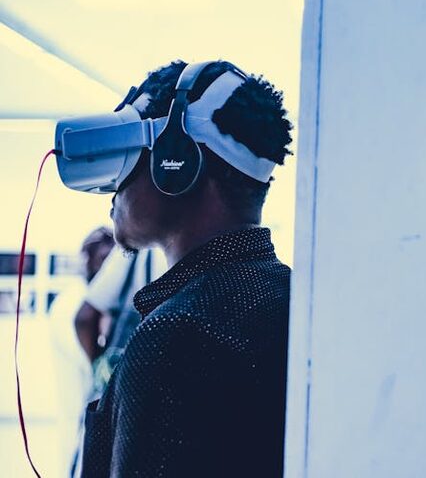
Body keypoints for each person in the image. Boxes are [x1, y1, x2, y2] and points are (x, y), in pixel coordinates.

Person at [57, 60, 293, 476]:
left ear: (178, 161)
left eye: (130, 154)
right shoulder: (286, 294)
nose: (112, 190)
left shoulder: (178, 336)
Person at [47, 227, 115, 477]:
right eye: (103, 262)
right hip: (80, 414)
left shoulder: (87, 301)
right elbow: (95, 368)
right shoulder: (75, 304)